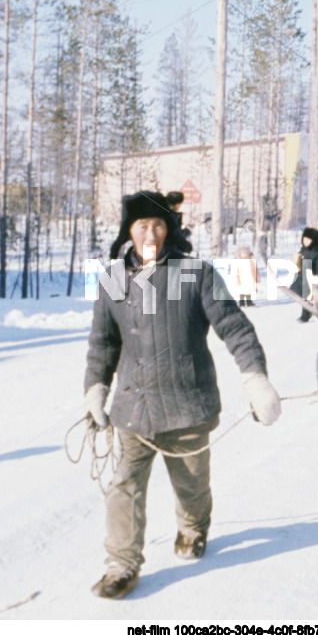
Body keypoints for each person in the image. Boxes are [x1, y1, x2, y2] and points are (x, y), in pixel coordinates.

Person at [85, 190, 281, 600]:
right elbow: (102, 343)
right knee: (124, 486)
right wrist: (95, 388)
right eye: (142, 226)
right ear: (129, 232)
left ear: (169, 228)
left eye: (158, 224)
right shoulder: (112, 279)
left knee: (191, 485)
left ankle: (193, 528)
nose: (150, 233)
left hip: (186, 408)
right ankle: (121, 564)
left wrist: (255, 378)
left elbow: (236, 328)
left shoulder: (196, 274)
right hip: (133, 411)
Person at [294, 227, 318, 322]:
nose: (305, 242)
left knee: (306, 297)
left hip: (310, 279)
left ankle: (305, 315)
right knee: (298, 295)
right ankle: (309, 310)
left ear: (314, 240)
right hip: (300, 277)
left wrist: (317, 279)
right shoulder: (303, 250)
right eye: (304, 239)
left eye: (308, 240)